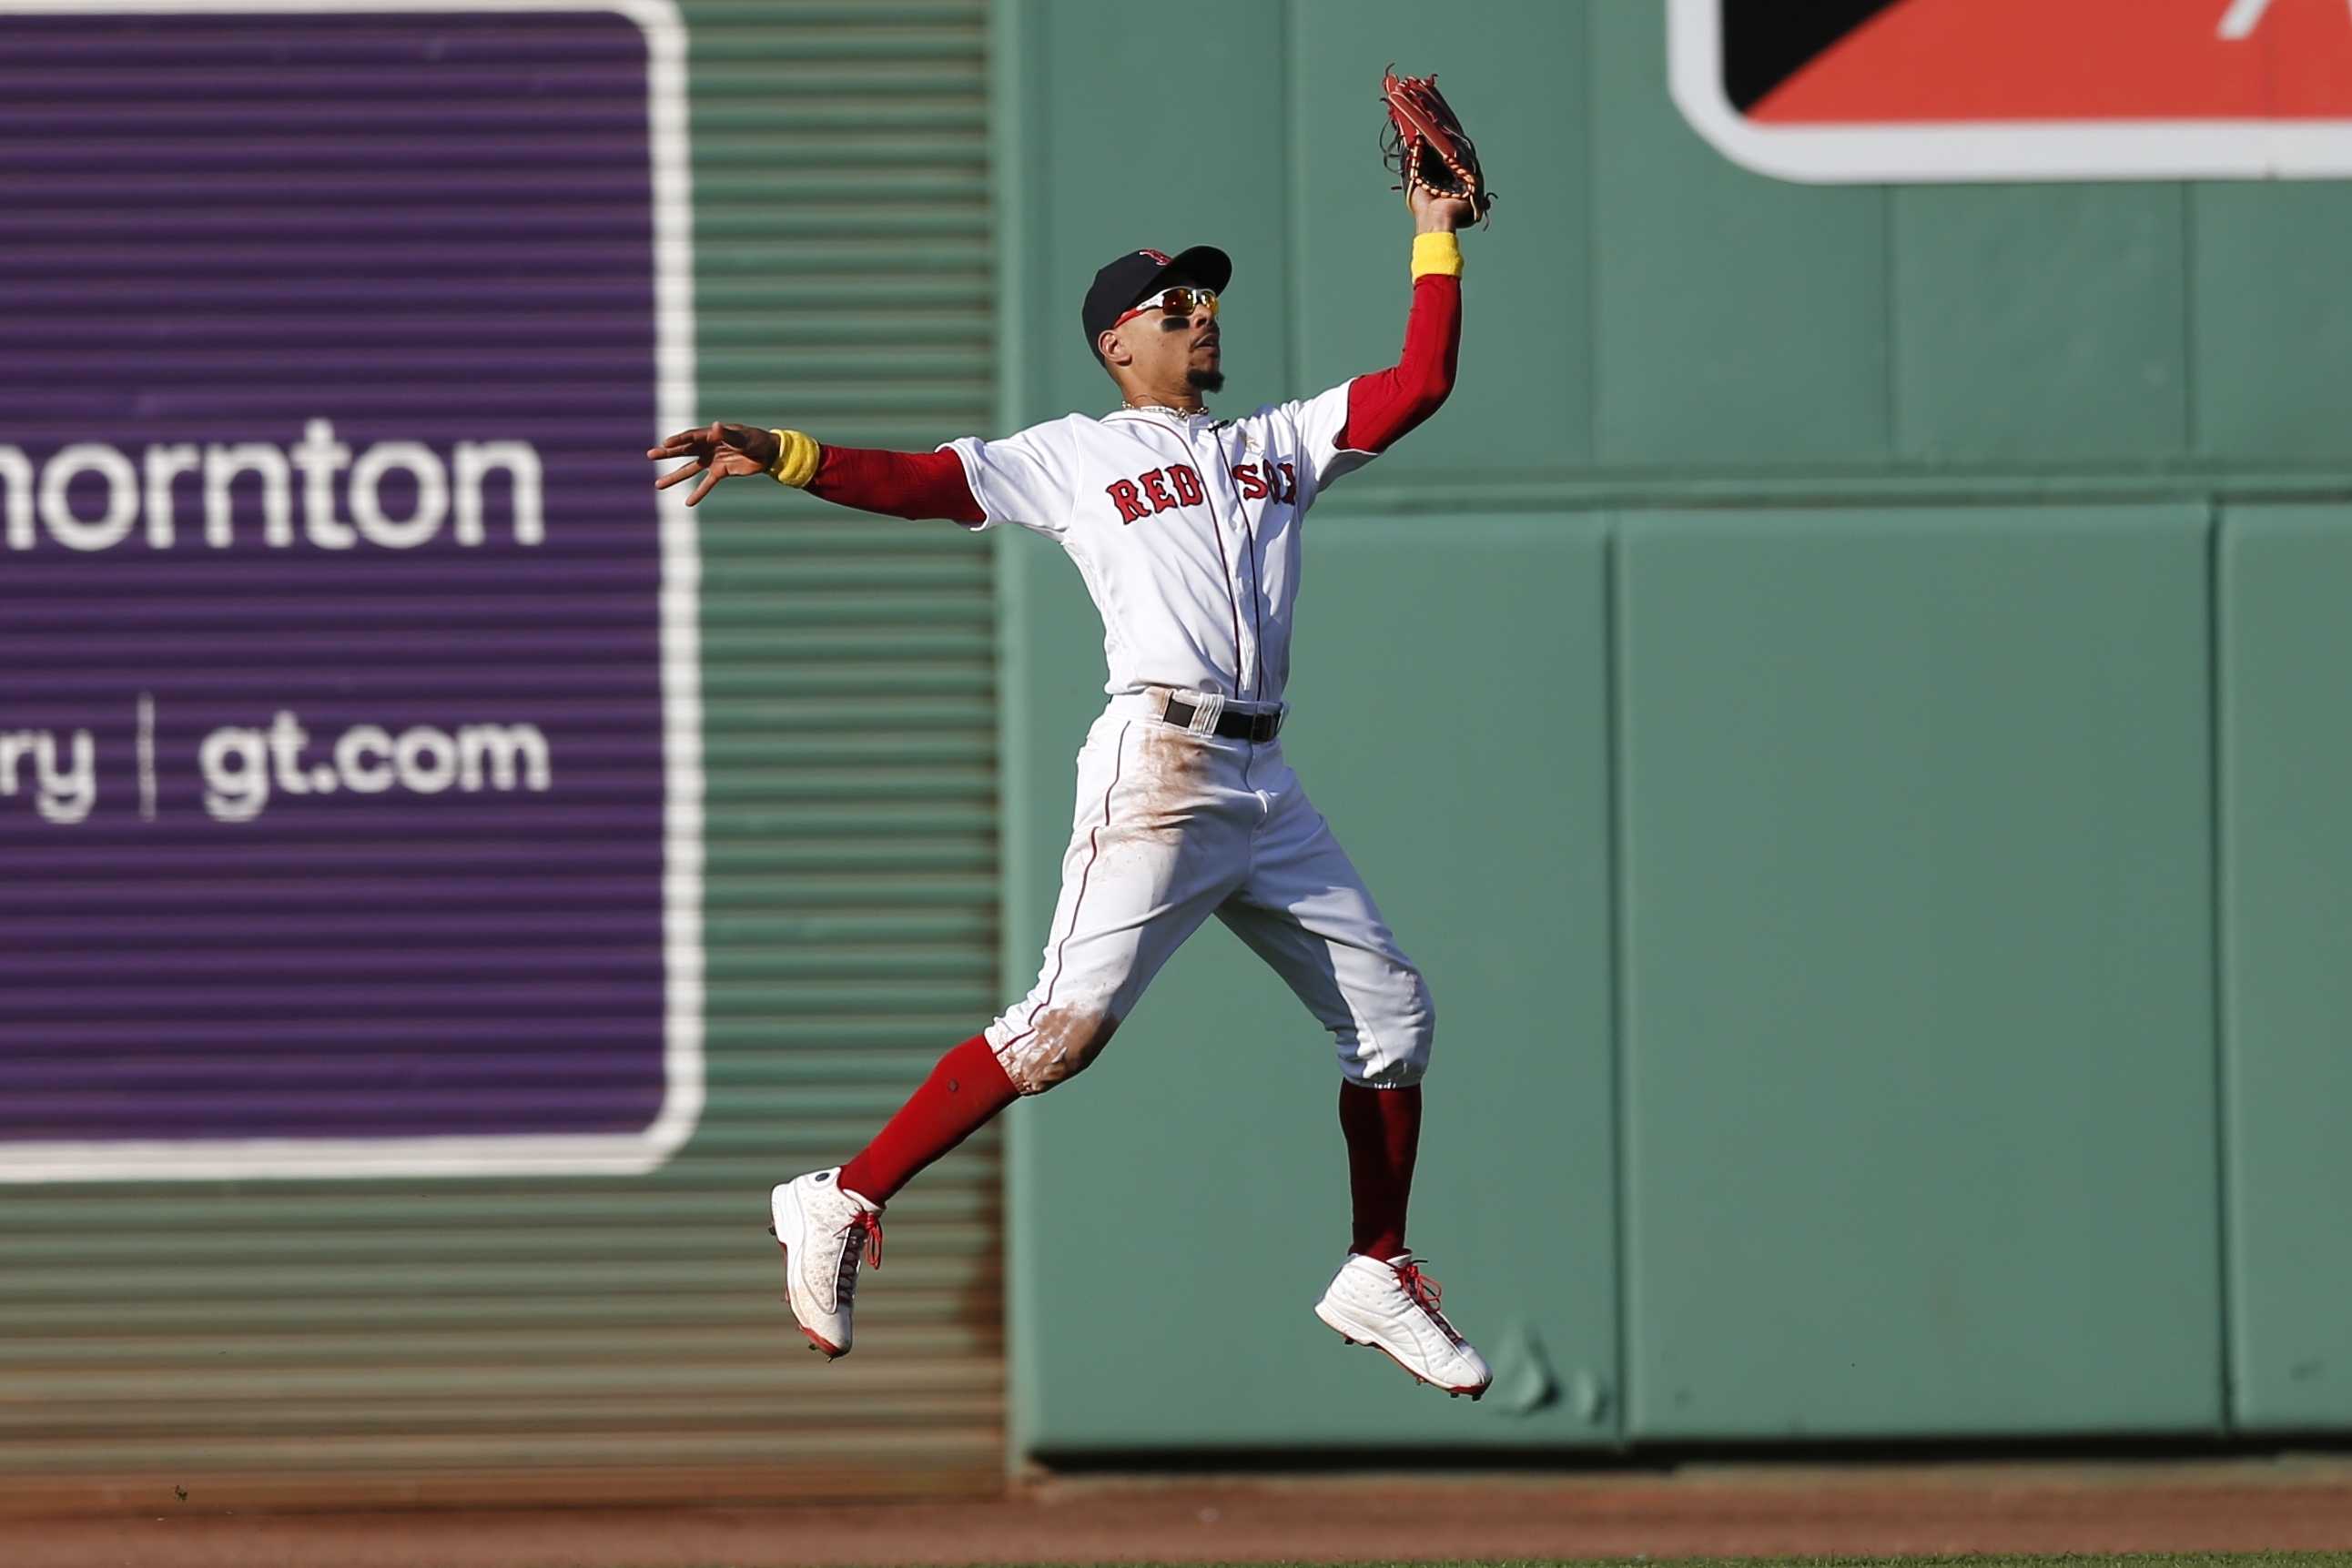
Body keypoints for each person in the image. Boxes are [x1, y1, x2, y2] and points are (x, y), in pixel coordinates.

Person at [647, 183, 1489, 1398]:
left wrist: (1435, 228)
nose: (1203, 316)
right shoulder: (1073, 454)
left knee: (1394, 1016)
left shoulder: (1275, 445)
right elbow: (927, 482)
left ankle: (1376, 1263)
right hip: (1162, 764)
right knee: (1059, 1035)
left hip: (1265, 778)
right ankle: (838, 1196)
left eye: (1206, 298)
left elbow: (1420, 383)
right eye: (1176, 303)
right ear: (1119, 341)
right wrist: (784, 453)